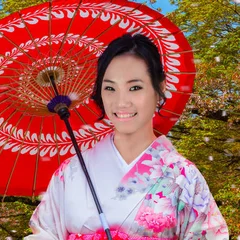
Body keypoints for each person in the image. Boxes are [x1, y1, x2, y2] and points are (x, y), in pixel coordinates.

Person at [25, 33, 229, 240]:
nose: (121, 102)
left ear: (160, 88)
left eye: (135, 88)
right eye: (110, 88)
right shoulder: (71, 172)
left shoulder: (183, 176)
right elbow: (45, 233)